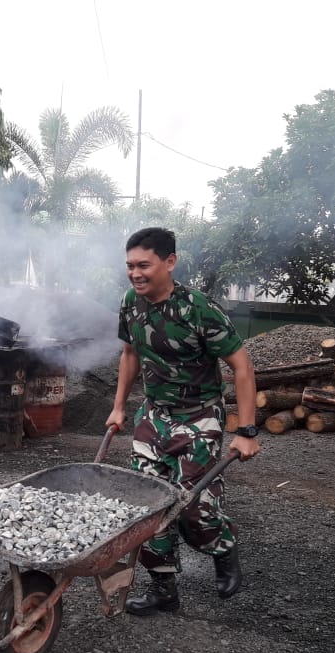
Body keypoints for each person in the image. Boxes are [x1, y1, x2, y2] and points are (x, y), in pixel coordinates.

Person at [105, 227, 260, 616]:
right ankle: (163, 589)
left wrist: (246, 431)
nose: (135, 273)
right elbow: (129, 353)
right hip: (153, 415)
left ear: (170, 262)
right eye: (130, 266)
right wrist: (119, 406)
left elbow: (242, 365)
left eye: (144, 265)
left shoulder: (198, 309)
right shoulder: (130, 302)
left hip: (199, 415)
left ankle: (223, 547)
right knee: (146, 506)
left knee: (191, 506)